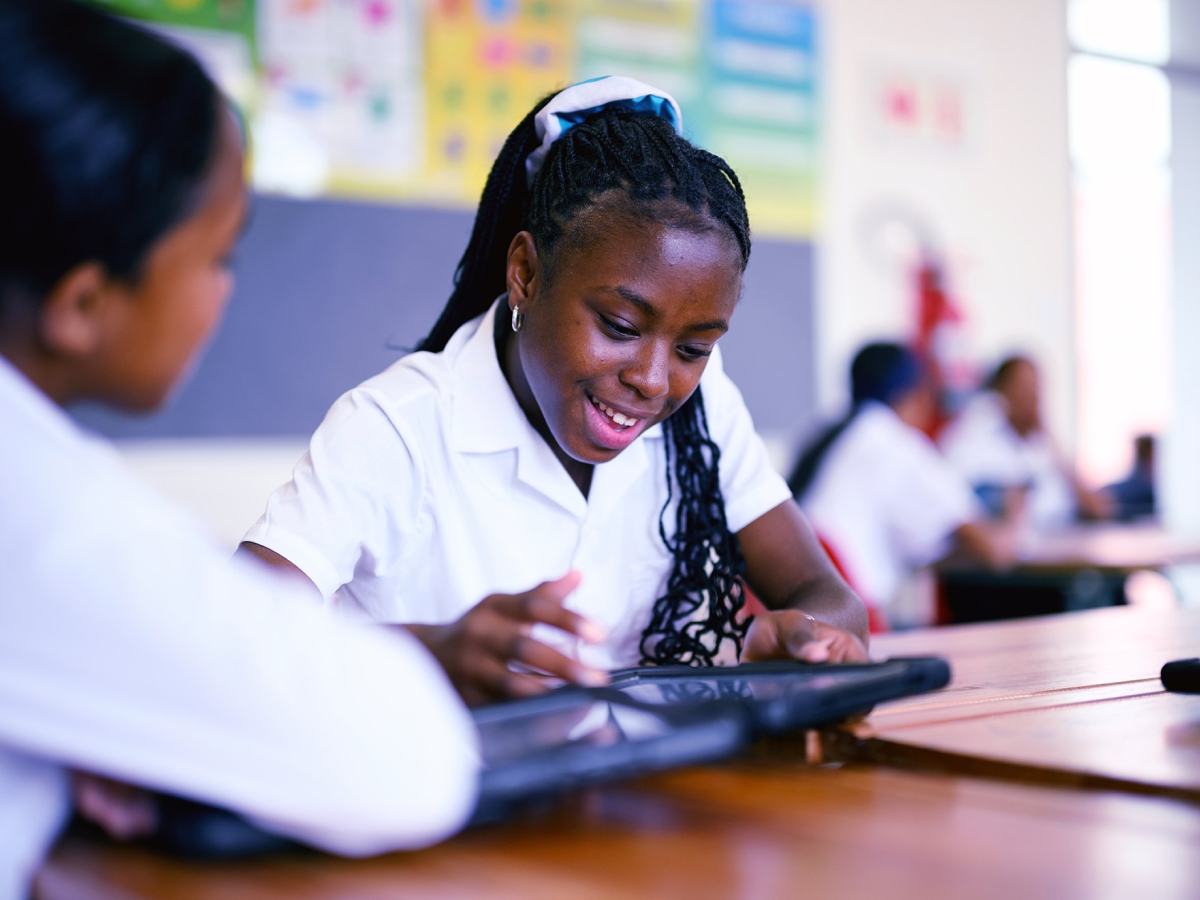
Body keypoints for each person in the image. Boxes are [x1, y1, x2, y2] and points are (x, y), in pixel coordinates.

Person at [0, 3, 479, 896]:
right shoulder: (36, 509)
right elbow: (413, 757)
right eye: (220, 257)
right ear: (80, 304)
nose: (226, 294)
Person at [240, 76, 870, 705]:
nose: (652, 379)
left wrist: (800, 642)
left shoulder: (702, 411)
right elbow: (230, 639)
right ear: (526, 274)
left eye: (693, 348)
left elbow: (830, 599)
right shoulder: (397, 428)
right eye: (620, 327)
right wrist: (435, 653)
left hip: (641, 788)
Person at [788, 343, 1022, 628]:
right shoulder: (893, 440)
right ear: (914, 394)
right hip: (845, 619)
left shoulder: (821, 432)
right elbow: (993, 552)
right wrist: (1018, 511)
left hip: (794, 608)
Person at [940, 355, 1111, 531]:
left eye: (1036, 388)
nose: (1033, 397)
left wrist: (1049, 438)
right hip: (1012, 551)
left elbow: (1097, 508)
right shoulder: (973, 436)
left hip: (1061, 539)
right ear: (1001, 392)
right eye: (1024, 388)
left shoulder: (1040, 445)